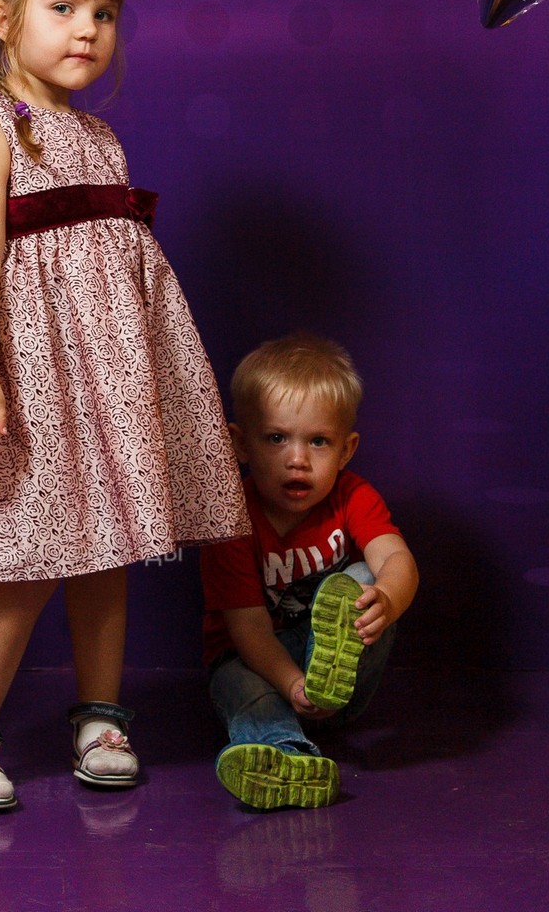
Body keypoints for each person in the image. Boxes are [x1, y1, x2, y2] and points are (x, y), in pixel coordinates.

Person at [0, 0, 246, 812]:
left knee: (111, 547)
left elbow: (119, 270)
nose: (88, 29)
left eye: (103, 13)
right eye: (62, 8)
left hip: (110, 373)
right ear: (3, 21)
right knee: (30, 555)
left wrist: (159, 383)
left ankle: (102, 717)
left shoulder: (97, 134)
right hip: (32, 369)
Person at [201, 334, 418, 810]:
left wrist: (387, 600)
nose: (297, 459)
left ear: (346, 450)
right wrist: (291, 683)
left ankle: (329, 665)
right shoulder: (232, 518)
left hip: (337, 681)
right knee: (241, 685)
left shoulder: (353, 497)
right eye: (276, 438)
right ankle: (286, 755)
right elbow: (248, 628)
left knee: (365, 579)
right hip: (259, 663)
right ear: (240, 443)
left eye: (318, 442)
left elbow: (398, 560)